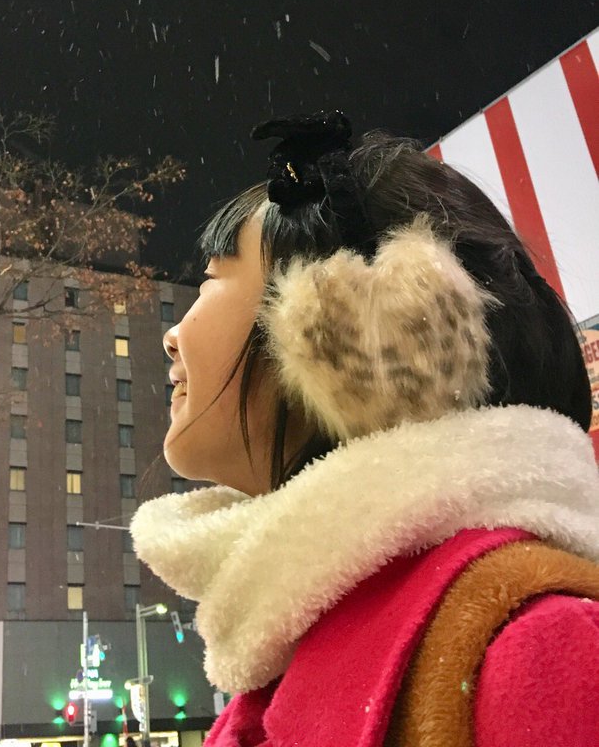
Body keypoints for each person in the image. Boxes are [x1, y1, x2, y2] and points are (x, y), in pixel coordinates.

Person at [131, 113, 599, 747]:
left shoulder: (538, 657)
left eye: (211, 279)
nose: (171, 336)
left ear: (350, 324)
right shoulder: (291, 658)